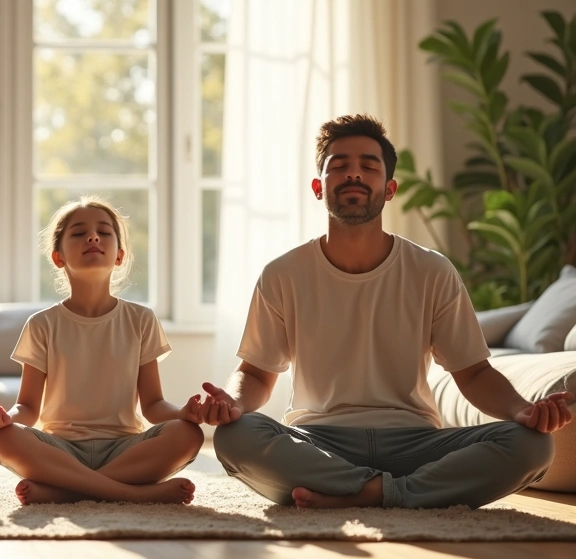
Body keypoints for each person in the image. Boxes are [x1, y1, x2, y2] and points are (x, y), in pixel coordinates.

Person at [197, 114, 571, 509]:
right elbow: (255, 374)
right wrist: (233, 403)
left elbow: (474, 372)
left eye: (368, 166)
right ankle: (403, 494)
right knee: (236, 435)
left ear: (389, 189)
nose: (353, 174)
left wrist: (523, 409)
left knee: (532, 445)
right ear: (318, 187)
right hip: (319, 441)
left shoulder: (432, 270)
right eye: (338, 166)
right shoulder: (283, 274)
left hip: (415, 440)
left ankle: (359, 495)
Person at [0, 196, 205, 505]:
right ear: (58, 257)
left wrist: (185, 414)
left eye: (104, 231)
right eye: (78, 233)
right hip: (61, 448)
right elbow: (28, 409)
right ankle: (130, 493)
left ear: (119, 256)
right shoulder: (42, 324)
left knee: (189, 434)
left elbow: (153, 404)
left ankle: (67, 492)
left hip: (125, 447)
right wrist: (5, 417)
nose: (93, 237)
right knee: (5, 439)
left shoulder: (141, 319)